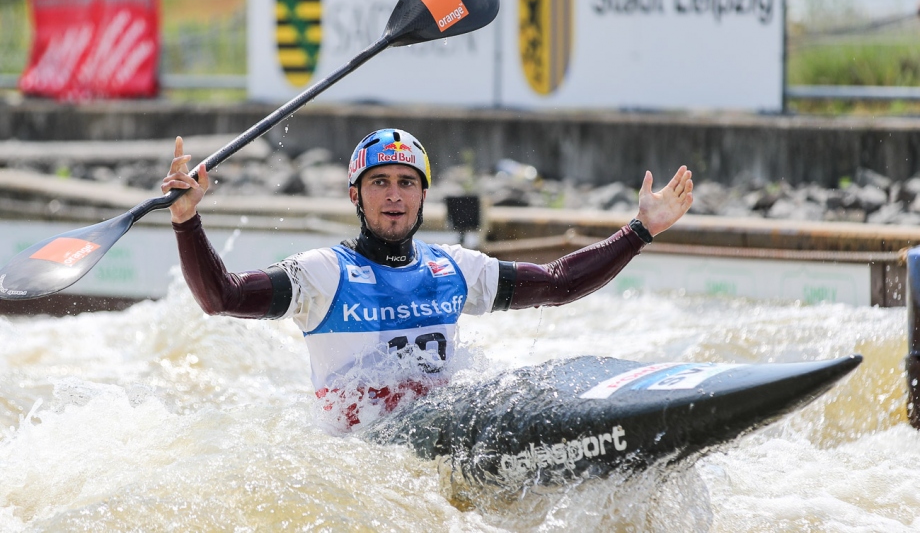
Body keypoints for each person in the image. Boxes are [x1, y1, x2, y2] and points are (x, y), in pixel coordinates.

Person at [162, 129, 694, 429]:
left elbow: (557, 283)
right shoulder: (322, 273)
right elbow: (221, 297)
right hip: (364, 459)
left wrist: (640, 230)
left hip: (443, 432)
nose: (394, 194)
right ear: (355, 195)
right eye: (379, 182)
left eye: (406, 183)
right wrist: (188, 219)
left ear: (422, 195)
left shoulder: (454, 268)